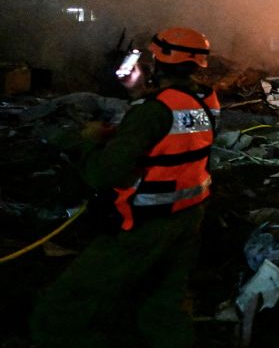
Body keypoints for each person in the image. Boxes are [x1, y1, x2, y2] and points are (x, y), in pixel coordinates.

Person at [31, 27, 218, 347]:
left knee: (68, 300)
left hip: (144, 222)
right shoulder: (207, 100)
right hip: (189, 218)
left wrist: (87, 143)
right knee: (163, 305)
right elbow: (173, 135)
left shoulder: (151, 111)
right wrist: (136, 103)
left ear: (159, 63)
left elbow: (106, 174)